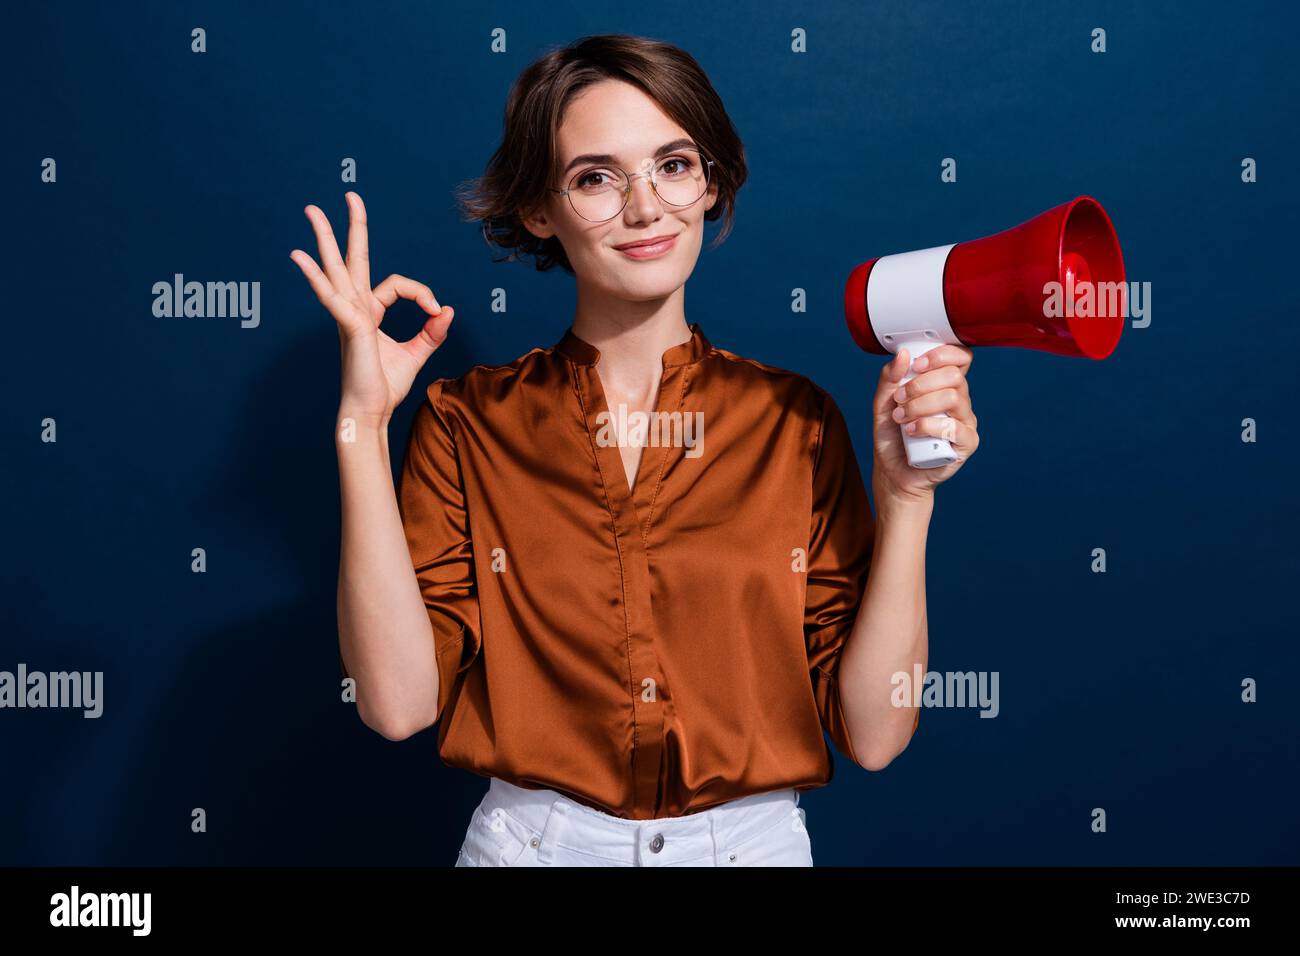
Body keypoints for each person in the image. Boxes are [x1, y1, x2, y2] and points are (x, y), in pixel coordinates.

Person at [290, 34, 980, 867]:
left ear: (711, 181)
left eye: (674, 165)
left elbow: (875, 734)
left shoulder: (796, 422)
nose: (645, 208)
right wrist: (361, 426)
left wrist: (907, 501)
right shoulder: (466, 423)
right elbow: (397, 704)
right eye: (595, 178)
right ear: (539, 211)